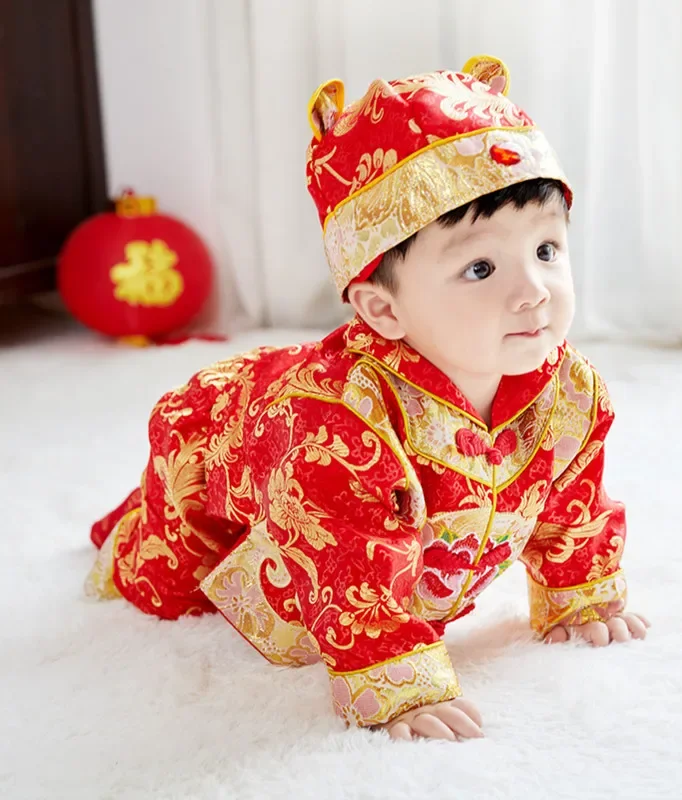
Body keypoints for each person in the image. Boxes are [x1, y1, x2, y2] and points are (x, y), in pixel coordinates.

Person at [85, 55, 649, 742]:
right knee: (162, 581)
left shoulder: (570, 391)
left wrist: (578, 593)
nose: (533, 290)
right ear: (382, 310)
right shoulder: (337, 425)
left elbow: (569, 503)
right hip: (230, 451)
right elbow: (350, 567)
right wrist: (397, 680)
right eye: (480, 267)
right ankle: (121, 531)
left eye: (548, 251)